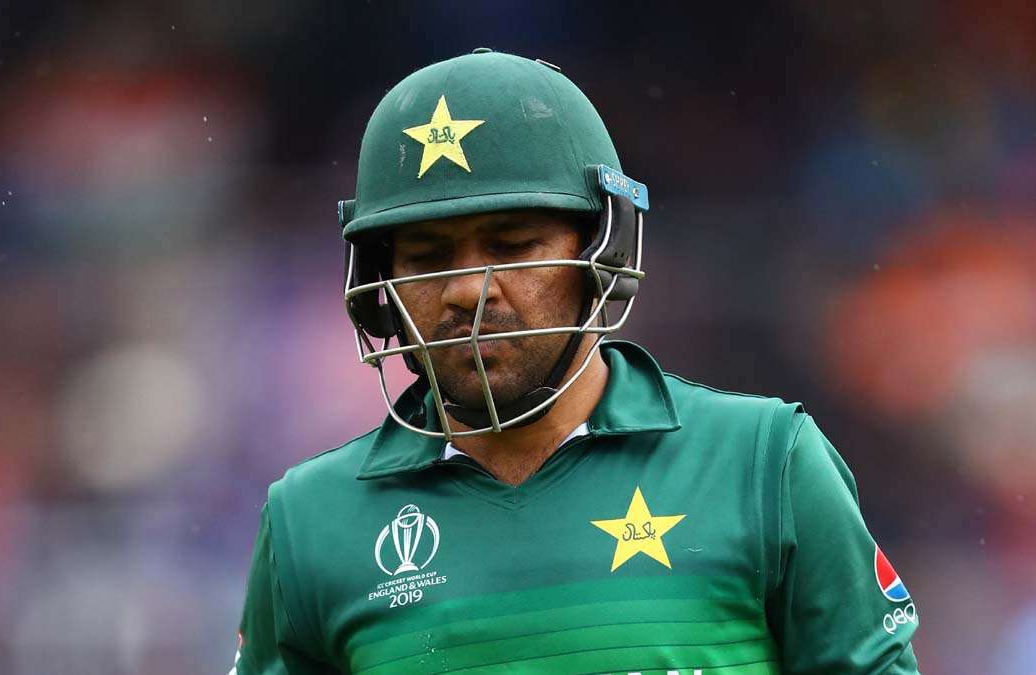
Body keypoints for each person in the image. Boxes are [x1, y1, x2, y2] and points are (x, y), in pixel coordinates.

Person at [233, 48, 921, 675]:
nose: (468, 289)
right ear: (378, 286)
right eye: (427, 256)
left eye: (512, 245)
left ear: (605, 252)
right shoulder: (310, 522)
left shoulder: (763, 463)